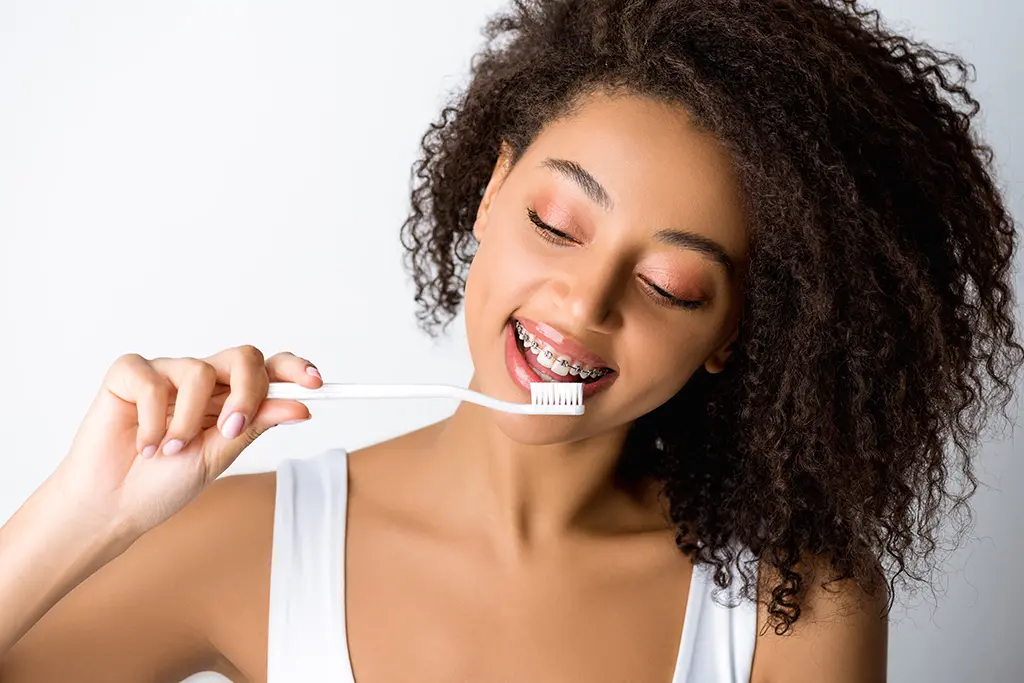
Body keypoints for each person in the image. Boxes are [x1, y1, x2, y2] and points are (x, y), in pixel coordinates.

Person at [1, 0, 1020, 681]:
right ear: (488, 192)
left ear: (735, 333)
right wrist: (80, 514)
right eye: (557, 224)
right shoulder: (237, 540)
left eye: (671, 281)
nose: (582, 304)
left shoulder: (793, 604)